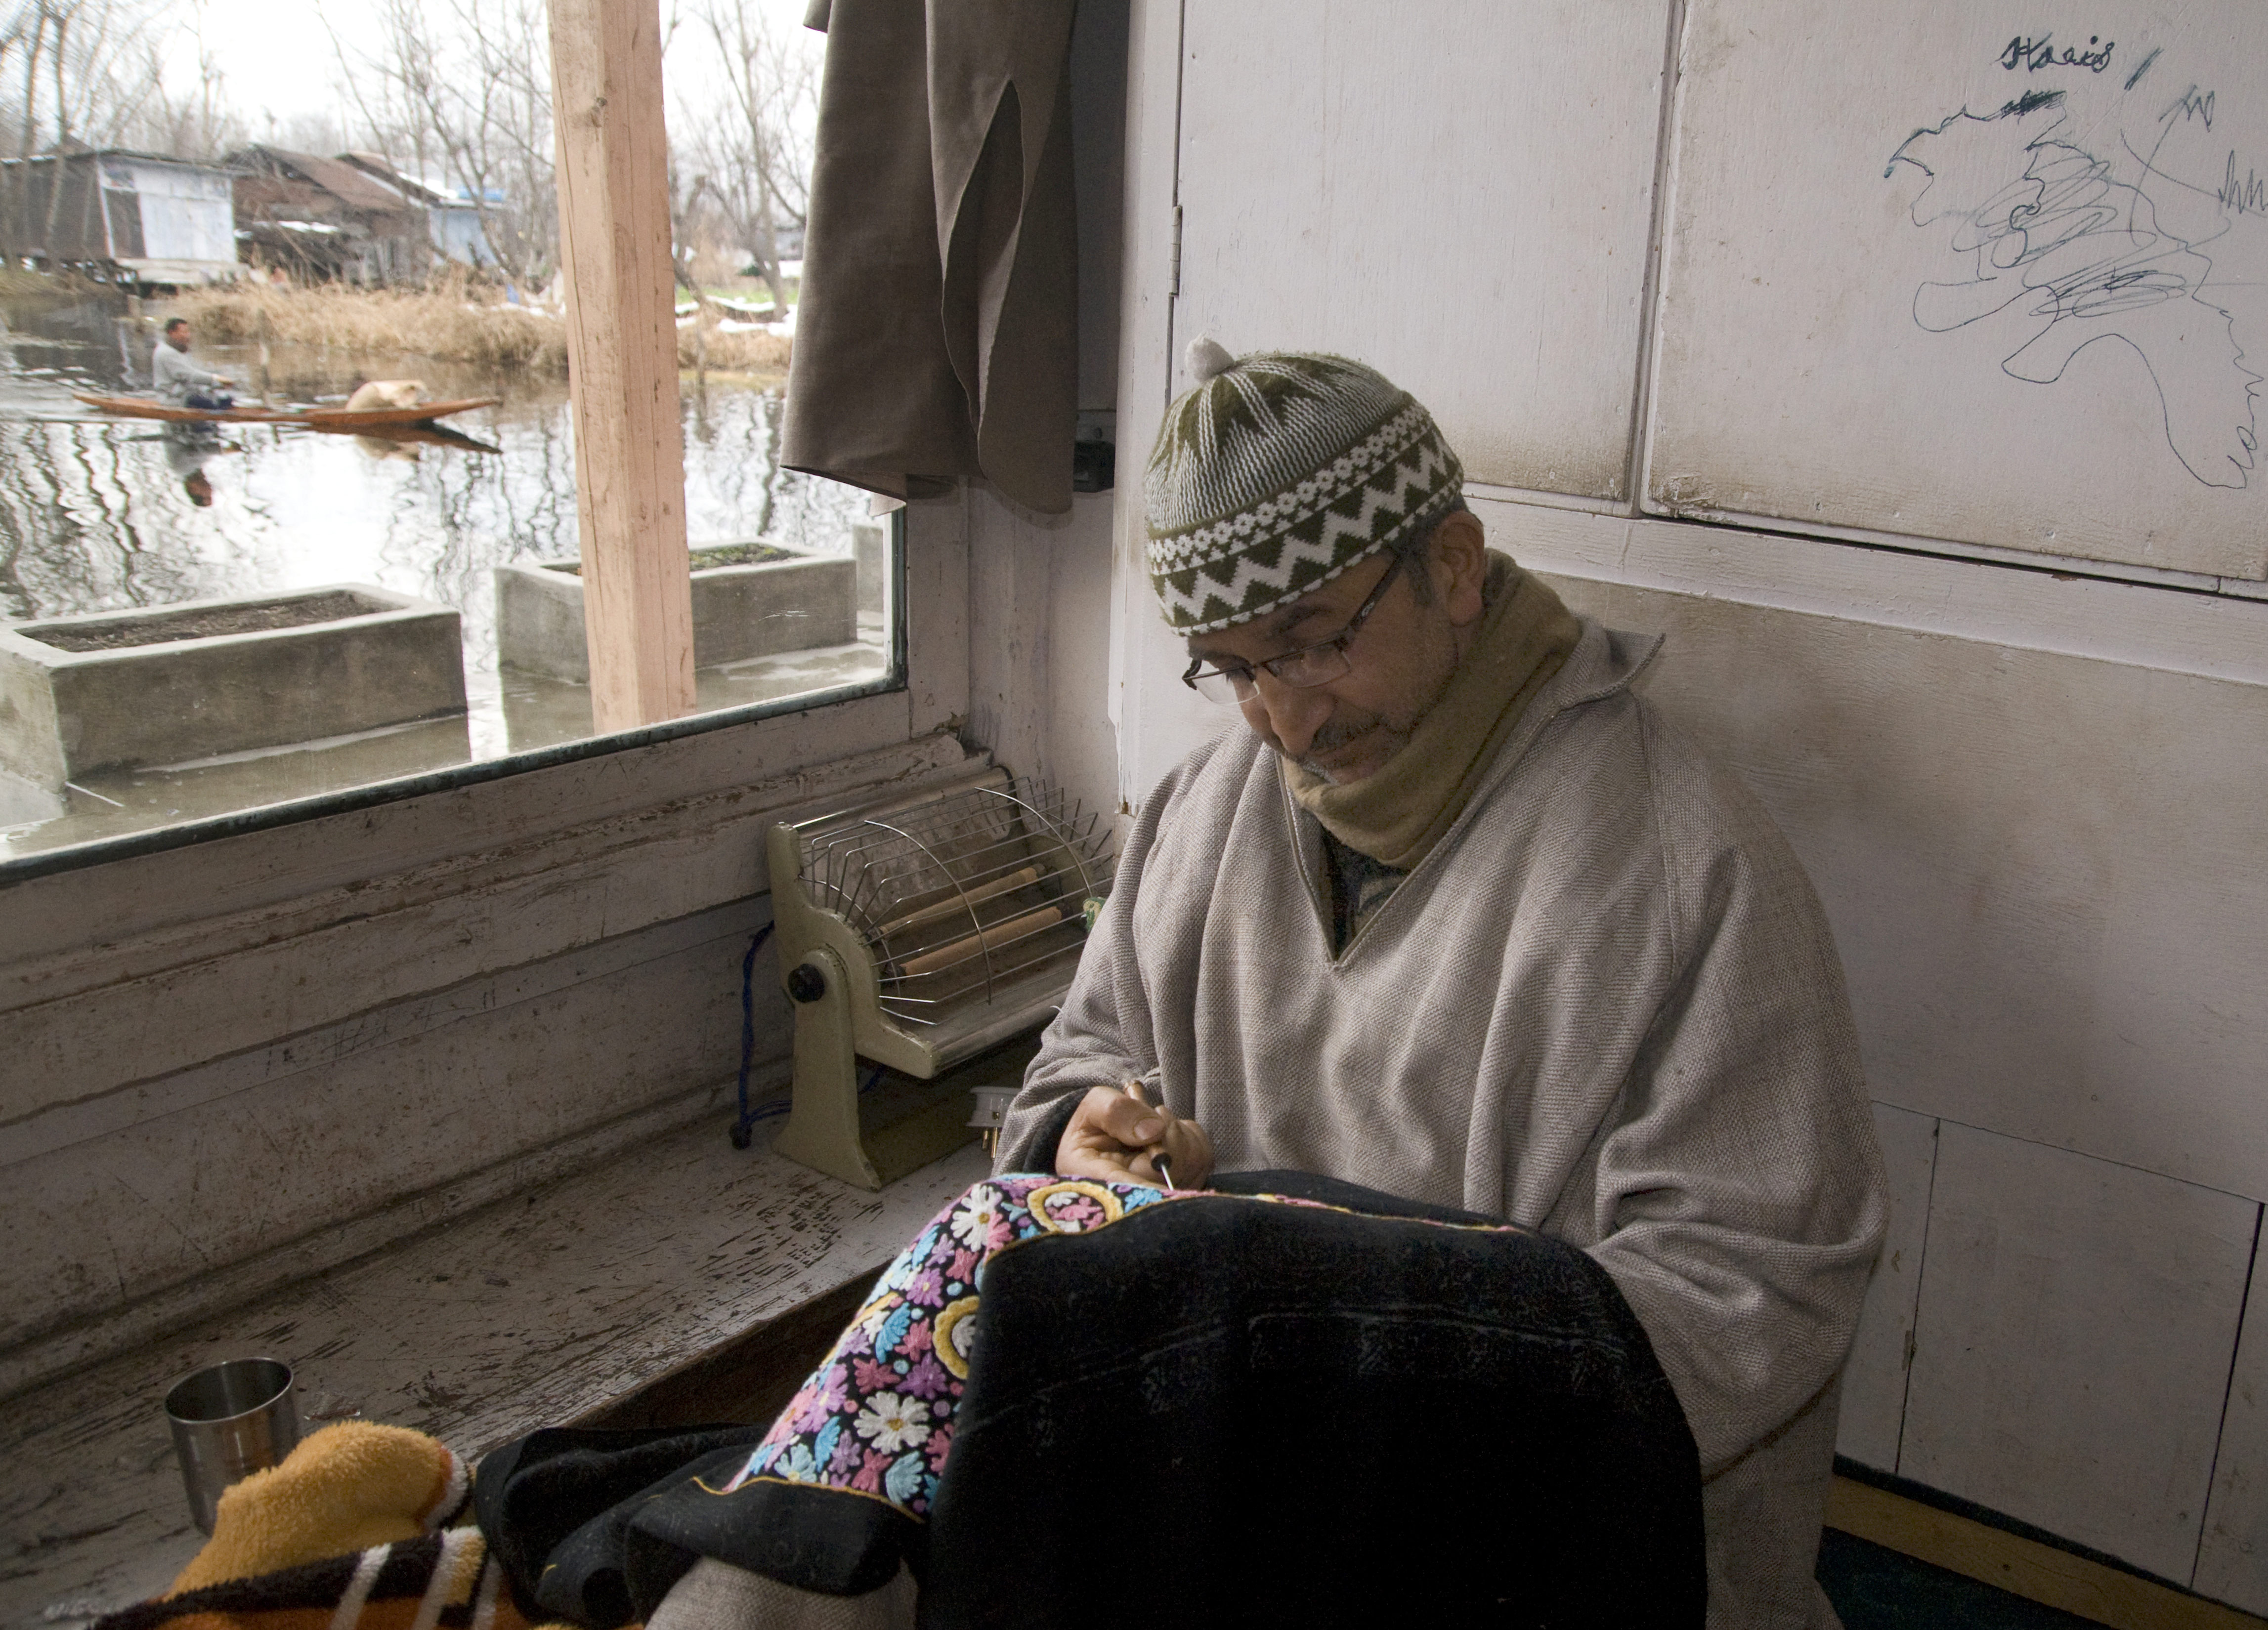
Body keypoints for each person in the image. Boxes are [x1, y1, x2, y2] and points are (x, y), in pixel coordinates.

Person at [993, 341, 1888, 1629]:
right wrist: (1082, 1142)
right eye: (1234, 667)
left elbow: (1757, 1284)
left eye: (1313, 642)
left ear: (1451, 567)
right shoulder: (1199, 812)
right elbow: (1079, 1061)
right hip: (1231, 1468)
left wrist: (1357, 1376)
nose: (1283, 722)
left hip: (1529, 1531)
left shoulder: (1689, 867)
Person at [152, 316, 233, 410]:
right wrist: (216, 379)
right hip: (171, 399)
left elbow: (193, 374)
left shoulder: (176, 350)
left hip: (183, 394)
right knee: (212, 405)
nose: (188, 335)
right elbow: (188, 376)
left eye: (188, 332)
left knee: (226, 400)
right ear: (172, 333)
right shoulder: (166, 353)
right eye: (184, 332)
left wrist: (218, 384)